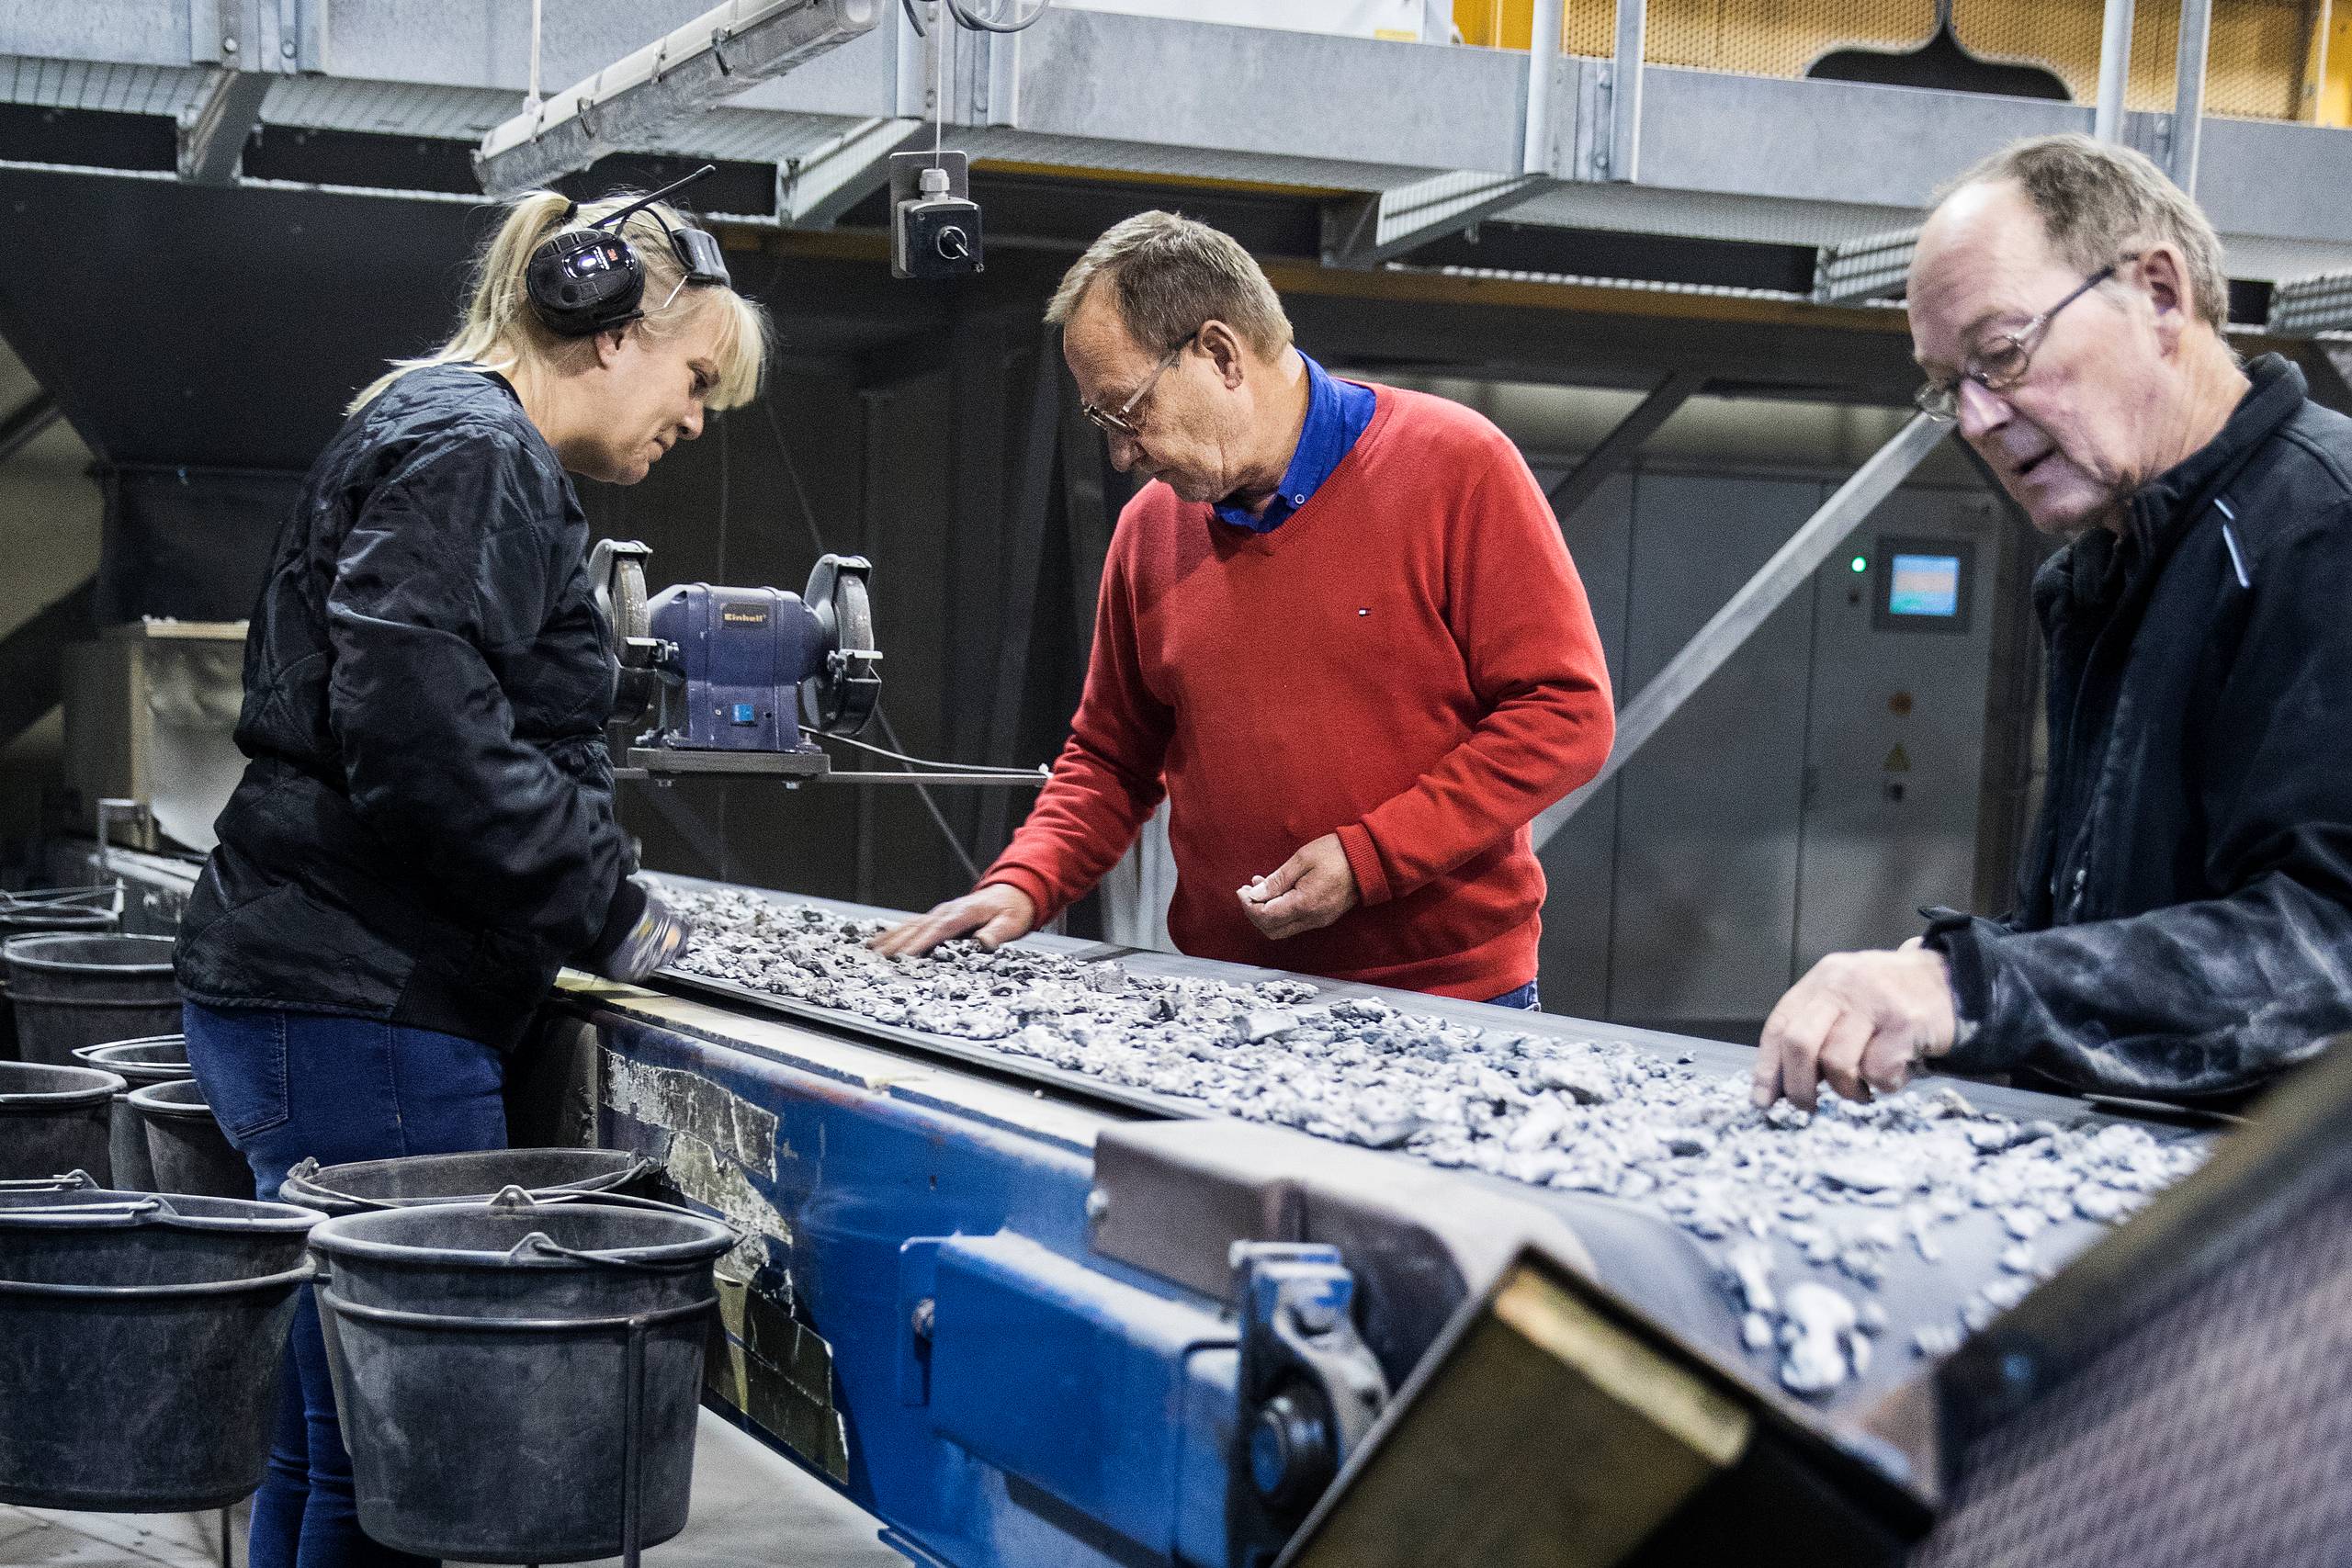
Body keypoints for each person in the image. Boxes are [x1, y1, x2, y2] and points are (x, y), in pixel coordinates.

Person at [173, 185, 769, 1567]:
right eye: (692, 379)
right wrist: (609, 904)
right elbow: (418, 725)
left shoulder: (433, 426)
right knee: (404, 1473)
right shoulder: (474, 453)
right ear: (609, 331)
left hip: (316, 982)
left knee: (334, 1451)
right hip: (367, 999)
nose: (691, 419)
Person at [876, 211, 1614, 1008]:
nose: (1122, 453)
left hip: (1452, 1004)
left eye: (1127, 412)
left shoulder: (1459, 470)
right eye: (1103, 425)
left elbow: (1566, 712)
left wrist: (1374, 857)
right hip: (1226, 998)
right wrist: (1024, 883)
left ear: (1221, 355)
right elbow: (1111, 758)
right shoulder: (1150, 532)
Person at [1752, 133, 2352, 1112]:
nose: (1980, 420)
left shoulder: (2323, 529)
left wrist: (1975, 985)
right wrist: (1964, 981)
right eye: (1951, 387)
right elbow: (2120, 921)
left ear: (2159, 294)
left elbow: (2330, 950)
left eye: (2001, 353)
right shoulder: (2110, 570)